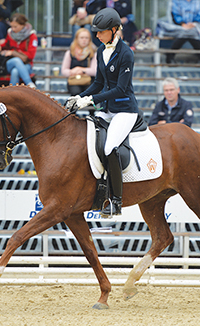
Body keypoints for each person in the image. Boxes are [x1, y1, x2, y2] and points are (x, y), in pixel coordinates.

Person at [65, 8, 143, 217]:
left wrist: (89, 100)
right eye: (96, 32)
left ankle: (115, 200)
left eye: (101, 32)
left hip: (125, 110)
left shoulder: (126, 54)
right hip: (107, 110)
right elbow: (99, 83)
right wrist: (79, 97)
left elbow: (119, 89)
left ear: (114, 30)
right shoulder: (100, 51)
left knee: (109, 148)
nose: (97, 36)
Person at [0, 13, 38, 87]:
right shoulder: (10, 33)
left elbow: (30, 56)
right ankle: (29, 83)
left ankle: (12, 94)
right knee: (16, 60)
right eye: (12, 26)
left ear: (23, 25)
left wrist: (14, 53)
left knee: (15, 71)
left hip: (26, 64)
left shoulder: (31, 36)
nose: (13, 29)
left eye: (15, 27)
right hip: (10, 62)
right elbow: (5, 45)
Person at [62, 28, 97, 96]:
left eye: (86, 38)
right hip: (74, 81)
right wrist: (73, 72)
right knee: (76, 93)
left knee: (89, 93)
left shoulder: (93, 53)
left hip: (89, 81)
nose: (84, 40)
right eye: (82, 38)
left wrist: (81, 70)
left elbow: (95, 71)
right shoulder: (70, 53)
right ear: (77, 39)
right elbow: (64, 71)